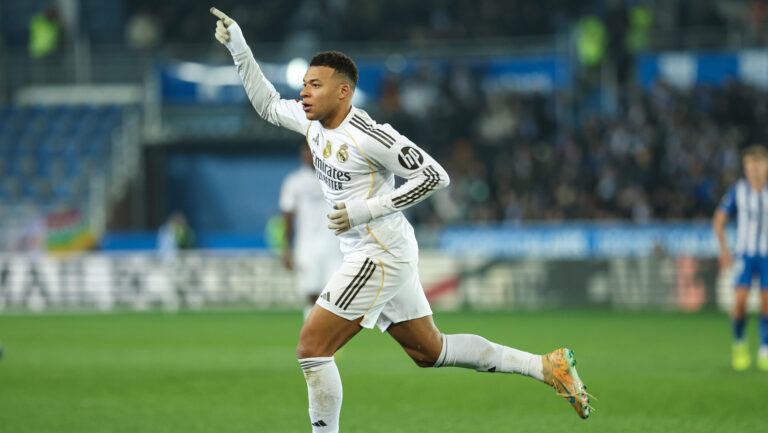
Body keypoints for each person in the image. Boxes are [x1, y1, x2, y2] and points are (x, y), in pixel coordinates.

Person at [211, 8, 592, 431]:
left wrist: (365, 209)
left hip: (379, 254)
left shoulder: (371, 136)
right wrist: (239, 45)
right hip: (376, 250)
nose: (304, 93)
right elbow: (265, 104)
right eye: (303, 85)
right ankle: (546, 366)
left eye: (314, 86)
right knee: (430, 351)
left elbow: (435, 176)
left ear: (343, 92)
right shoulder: (311, 123)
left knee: (312, 346)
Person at [714, 145, 768, 371]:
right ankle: (739, 343)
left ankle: (765, 350)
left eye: (757, 165)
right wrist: (725, 250)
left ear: (765, 166)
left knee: (767, 303)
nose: (753, 170)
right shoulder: (738, 191)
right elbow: (719, 219)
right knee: (739, 302)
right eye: (749, 166)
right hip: (745, 254)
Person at [280, 146, 342, 320]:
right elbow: (287, 216)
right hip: (306, 245)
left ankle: (327, 336)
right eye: (306, 152)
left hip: (334, 245)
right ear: (302, 155)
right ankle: (313, 337)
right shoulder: (294, 181)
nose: (309, 156)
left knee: (334, 294)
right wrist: (285, 249)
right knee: (311, 292)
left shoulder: (334, 177)